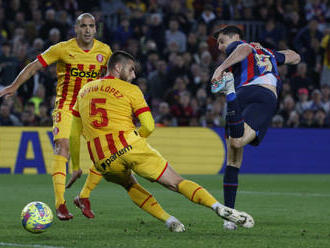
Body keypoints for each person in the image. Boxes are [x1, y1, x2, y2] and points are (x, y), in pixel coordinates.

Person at [71, 50, 254, 232]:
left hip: (102, 159)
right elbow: (149, 126)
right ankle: (217, 207)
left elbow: (73, 133)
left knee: (130, 185)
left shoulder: (83, 91)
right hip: (130, 145)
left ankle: (169, 220)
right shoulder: (131, 90)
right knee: (176, 182)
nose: (134, 75)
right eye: (132, 69)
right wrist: (132, 140)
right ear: (118, 68)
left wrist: (76, 166)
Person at [0, 13, 112, 220]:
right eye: (83, 26)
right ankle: (60, 204)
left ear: (95, 29)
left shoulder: (105, 51)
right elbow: (34, 66)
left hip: (91, 110)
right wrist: (14, 86)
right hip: (66, 106)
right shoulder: (62, 49)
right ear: (76, 29)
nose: (87, 30)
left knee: (107, 153)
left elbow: (114, 79)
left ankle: (83, 196)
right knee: (62, 146)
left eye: (91, 26)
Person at [211, 26, 301, 230]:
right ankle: (230, 217)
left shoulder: (239, 46)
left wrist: (220, 68)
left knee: (235, 146)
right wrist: (273, 53)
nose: (220, 46)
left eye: (222, 40)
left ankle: (230, 93)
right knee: (233, 156)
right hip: (261, 96)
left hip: (249, 93)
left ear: (235, 37)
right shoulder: (266, 52)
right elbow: (295, 56)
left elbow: (244, 50)